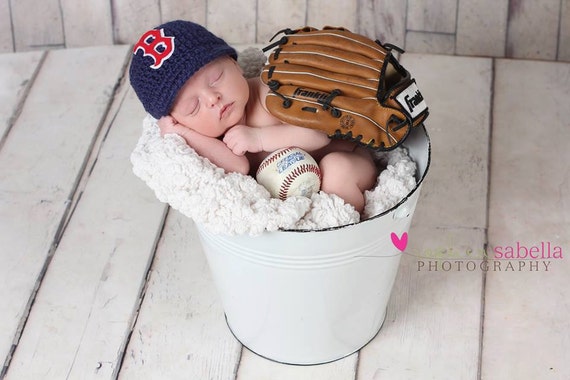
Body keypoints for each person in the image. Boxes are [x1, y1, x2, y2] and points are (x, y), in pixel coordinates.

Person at [130, 20, 377, 213]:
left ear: (235, 64)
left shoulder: (269, 95)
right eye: (193, 107)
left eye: (216, 79)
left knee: (336, 170)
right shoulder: (212, 135)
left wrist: (259, 138)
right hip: (298, 190)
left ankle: (346, 231)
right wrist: (182, 133)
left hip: (350, 158)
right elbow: (238, 165)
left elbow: (318, 134)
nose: (212, 99)